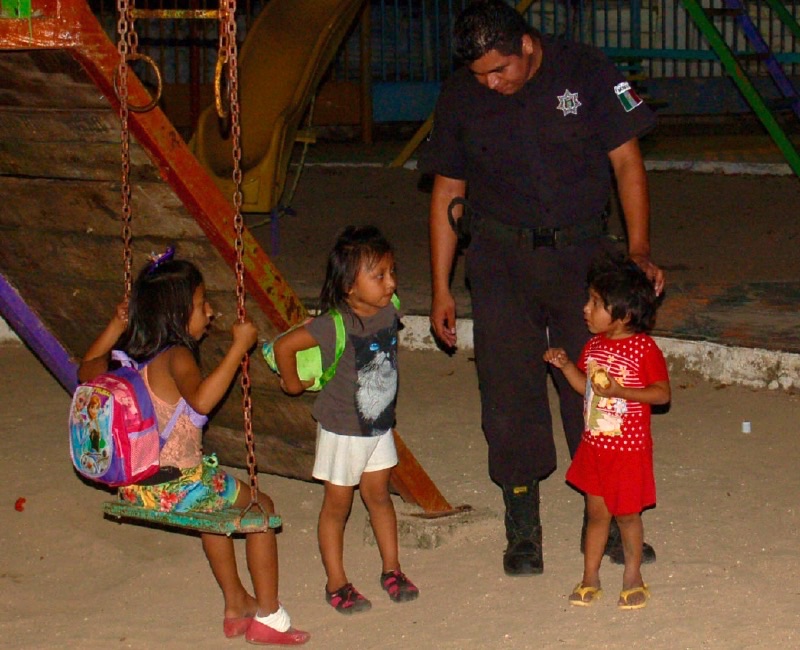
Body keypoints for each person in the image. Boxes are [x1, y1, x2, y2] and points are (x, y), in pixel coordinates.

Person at [417, 0, 666, 576]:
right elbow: (447, 190)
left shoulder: (588, 72)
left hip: (583, 257)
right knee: (507, 390)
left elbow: (628, 163)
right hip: (500, 259)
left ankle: (602, 518)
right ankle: (522, 524)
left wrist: (638, 251)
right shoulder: (461, 95)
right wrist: (440, 286)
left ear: (527, 46)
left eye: (499, 70)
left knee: (597, 387)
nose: (490, 83)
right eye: (480, 74)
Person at [78, 248, 309, 645]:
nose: (211, 313)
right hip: (177, 486)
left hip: (136, 487)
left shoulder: (127, 356)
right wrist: (239, 348)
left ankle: (236, 604)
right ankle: (270, 616)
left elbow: (86, 369)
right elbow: (201, 401)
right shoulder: (177, 356)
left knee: (212, 503)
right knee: (261, 508)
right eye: (202, 305)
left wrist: (117, 325)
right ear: (177, 314)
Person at [272, 225, 419, 614]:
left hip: (379, 425)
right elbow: (285, 345)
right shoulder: (333, 324)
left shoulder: (390, 307)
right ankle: (336, 582)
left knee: (379, 497)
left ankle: (392, 569)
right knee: (337, 507)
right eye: (380, 275)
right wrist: (291, 385)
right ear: (349, 287)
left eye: (392, 273)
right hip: (343, 430)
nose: (391, 283)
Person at [544, 252, 671, 609]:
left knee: (628, 516)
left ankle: (633, 575)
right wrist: (567, 366)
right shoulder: (594, 345)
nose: (585, 308)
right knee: (596, 513)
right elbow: (586, 387)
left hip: (628, 452)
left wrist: (621, 391)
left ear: (624, 315)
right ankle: (590, 576)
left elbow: (662, 394)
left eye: (596, 303)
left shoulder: (644, 349)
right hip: (595, 447)